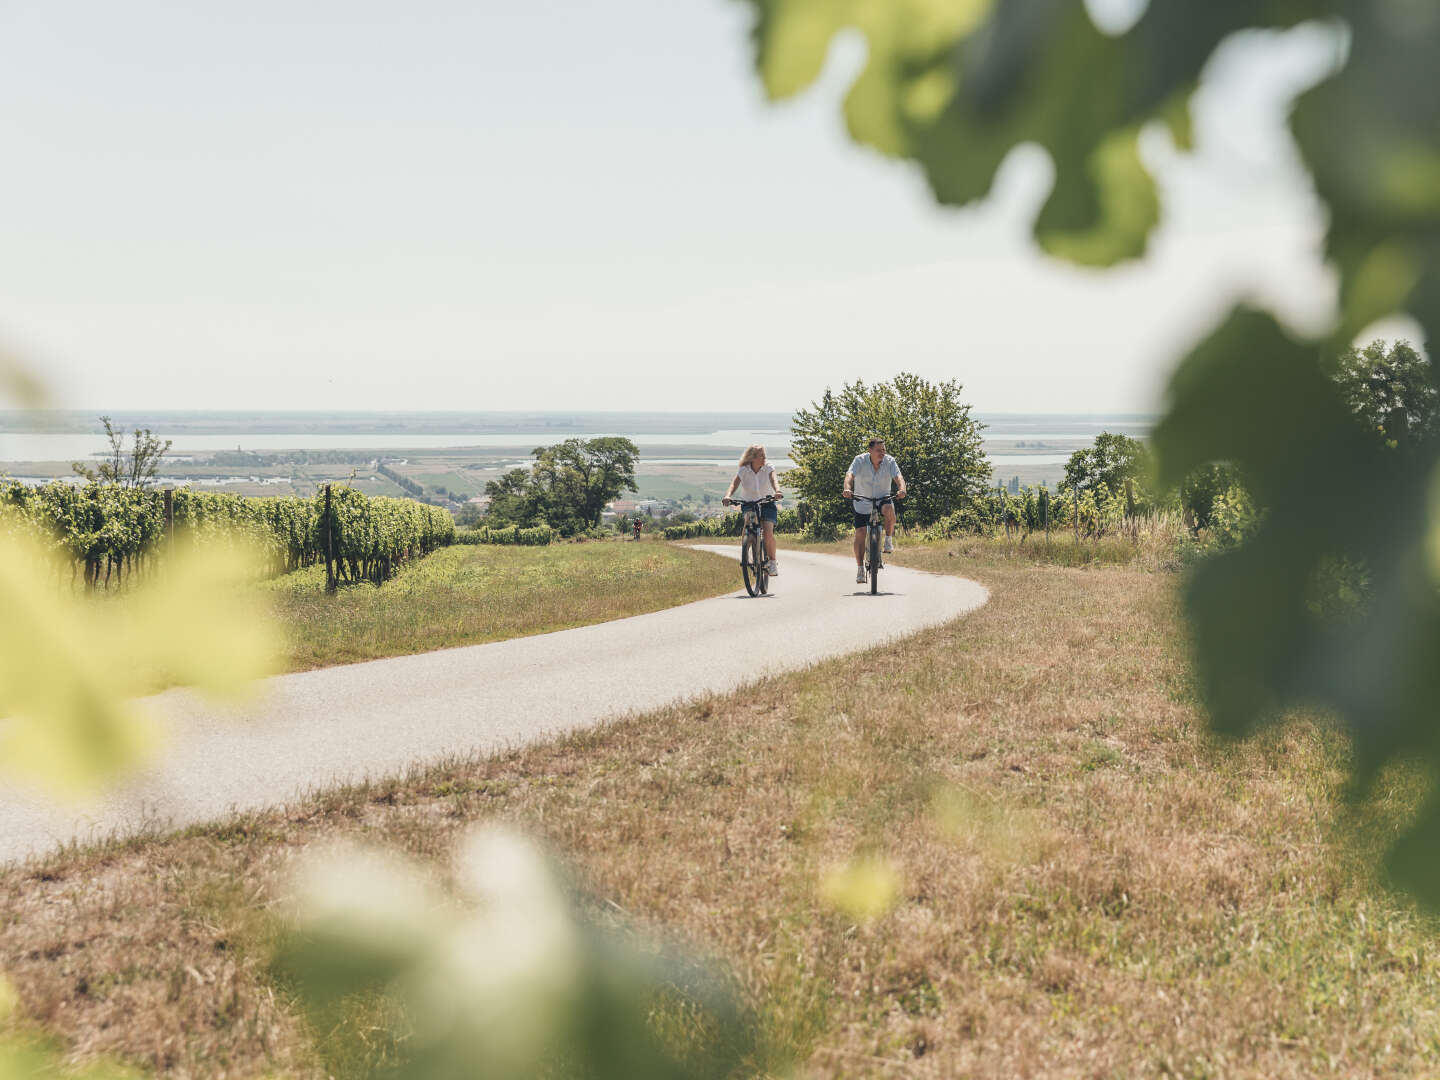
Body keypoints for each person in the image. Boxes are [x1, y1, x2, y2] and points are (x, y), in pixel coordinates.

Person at [842, 437, 906, 584]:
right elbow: (849, 475)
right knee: (860, 532)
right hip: (863, 499)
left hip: (882, 497)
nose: (882, 453)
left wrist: (902, 489)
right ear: (870, 450)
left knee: (889, 509)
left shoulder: (890, 461)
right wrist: (847, 488)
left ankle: (888, 540)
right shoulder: (859, 460)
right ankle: (860, 569)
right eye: (878, 450)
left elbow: (899, 477)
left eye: (883, 450)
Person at [722, 444, 782, 576]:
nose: (764, 458)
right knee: (748, 522)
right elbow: (734, 484)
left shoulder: (768, 467)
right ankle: (745, 551)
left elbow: (773, 480)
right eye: (761, 455)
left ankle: (772, 562)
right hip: (749, 503)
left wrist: (777, 490)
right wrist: (728, 496)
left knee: (767, 531)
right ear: (753, 457)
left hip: (767, 502)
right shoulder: (744, 470)